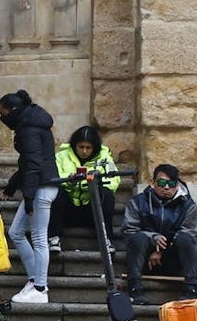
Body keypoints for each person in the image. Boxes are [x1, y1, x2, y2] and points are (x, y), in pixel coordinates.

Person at [0, 89, 59, 305]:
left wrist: (29, 196)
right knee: (16, 232)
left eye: (3, 113)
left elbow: (33, 164)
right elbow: (27, 163)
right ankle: (34, 280)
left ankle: (40, 288)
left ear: (13, 111)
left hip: (41, 187)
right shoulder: (32, 123)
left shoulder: (29, 129)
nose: (2, 119)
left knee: (39, 238)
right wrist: (12, 186)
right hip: (41, 185)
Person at [122, 164, 197, 305]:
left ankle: (191, 288)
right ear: (153, 183)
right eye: (162, 183)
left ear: (177, 184)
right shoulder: (138, 202)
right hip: (144, 257)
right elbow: (128, 230)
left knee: (186, 239)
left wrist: (161, 251)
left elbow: (190, 232)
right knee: (137, 238)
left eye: (171, 183)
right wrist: (152, 238)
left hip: (173, 257)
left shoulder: (188, 206)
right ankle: (135, 288)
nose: (166, 187)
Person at [49, 126, 121, 256]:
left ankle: (106, 239)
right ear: (74, 145)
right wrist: (71, 181)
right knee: (56, 192)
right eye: (81, 147)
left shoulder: (105, 158)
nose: (84, 151)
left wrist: (93, 183)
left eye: (88, 148)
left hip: (92, 210)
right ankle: (54, 237)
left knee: (106, 195)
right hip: (68, 210)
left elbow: (114, 179)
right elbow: (55, 177)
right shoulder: (60, 157)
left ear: (95, 148)